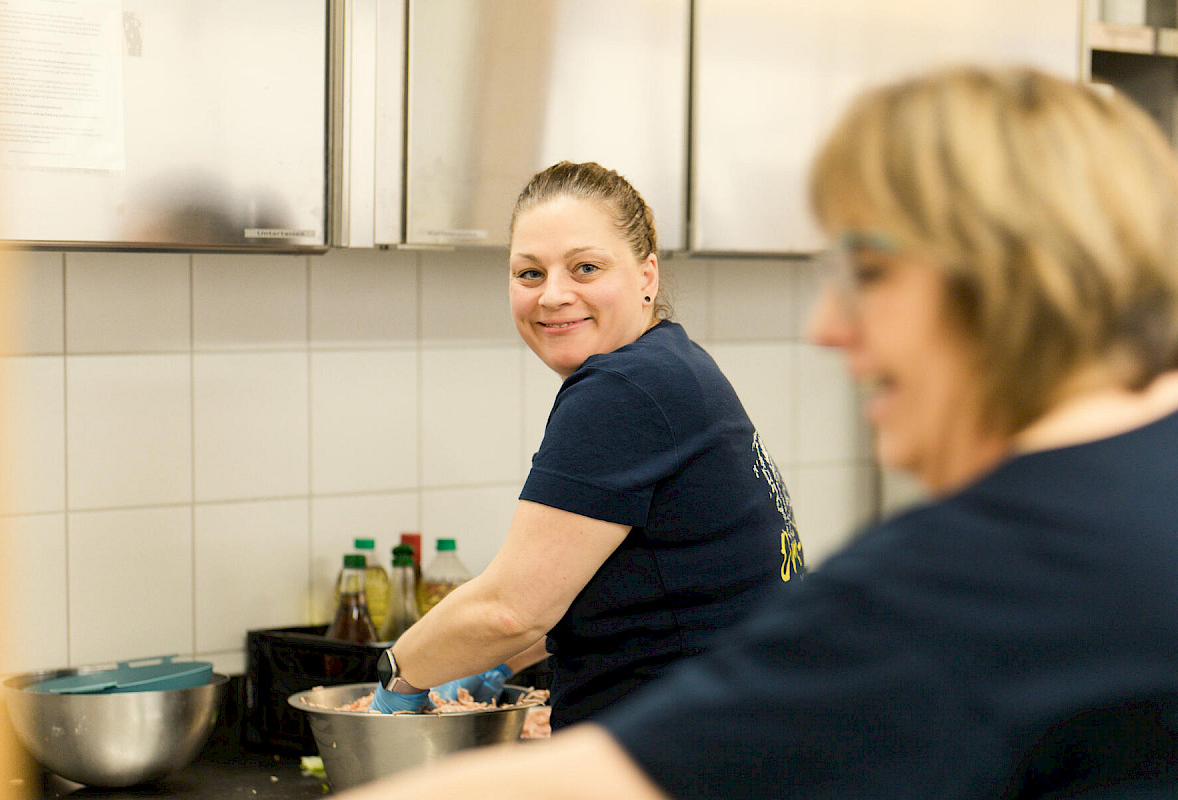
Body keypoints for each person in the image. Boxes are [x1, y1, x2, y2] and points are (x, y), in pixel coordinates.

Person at [339, 64, 1178, 799]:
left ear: (1012, 281)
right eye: (529, 272)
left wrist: (397, 681)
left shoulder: (977, 574)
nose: (826, 328)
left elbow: (605, 745)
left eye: (869, 273)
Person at [368, 161, 803, 731]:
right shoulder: (672, 365)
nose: (553, 295)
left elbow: (509, 610)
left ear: (647, 276)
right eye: (529, 273)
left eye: (586, 268)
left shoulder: (622, 389)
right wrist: (495, 661)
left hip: (692, 748)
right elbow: (611, 588)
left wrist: (397, 675)